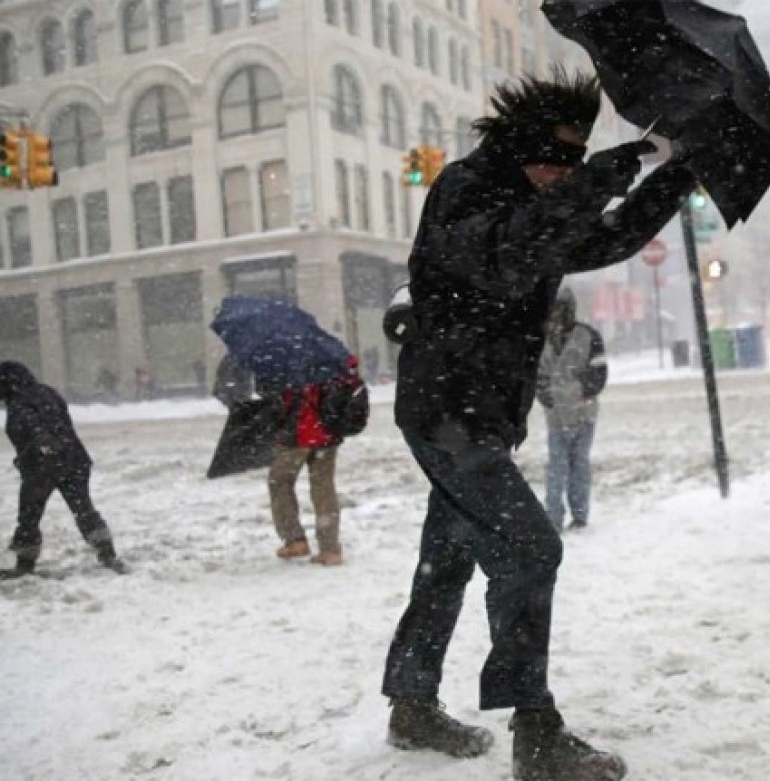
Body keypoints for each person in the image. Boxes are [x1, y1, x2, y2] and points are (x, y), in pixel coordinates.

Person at [382, 69, 696, 780]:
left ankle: (411, 703)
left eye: (576, 160)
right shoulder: (467, 189)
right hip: (446, 412)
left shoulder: (538, 203)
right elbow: (505, 255)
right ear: (521, 143)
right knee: (530, 548)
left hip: (483, 417)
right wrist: (600, 178)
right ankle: (536, 730)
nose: (565, 172)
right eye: (557, 157)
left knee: (447, 559)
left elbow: (609, 237)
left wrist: (680, 173)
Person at [0, 361, 127, 578]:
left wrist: (39, 447)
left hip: (43, 465)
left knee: (29, 516)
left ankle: (25, 563)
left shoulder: (19, 402)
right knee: (83, 509)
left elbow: (32, 427)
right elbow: (59, 422)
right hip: (73, 459)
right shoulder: (47, 393)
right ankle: (107, 554)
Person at [266, 359, 360, 567]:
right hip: (328, 433)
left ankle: (295, 539)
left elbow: (283, 399)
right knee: (323, 487)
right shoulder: (332, 357)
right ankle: (330, 548)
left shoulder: (290, 360)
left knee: (279, 480)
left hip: (302, 432)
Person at [536, 288, 608, 533]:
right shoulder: (541, 340)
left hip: (583, 414)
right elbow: (536, 376)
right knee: (556, 468)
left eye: (560, 308)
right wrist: (547, 398)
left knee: (579, 465)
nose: (556, 314)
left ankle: (579, 516)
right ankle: (553, 518)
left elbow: (599, 373)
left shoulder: (589, 336)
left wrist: (581, 392)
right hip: (555, 416)